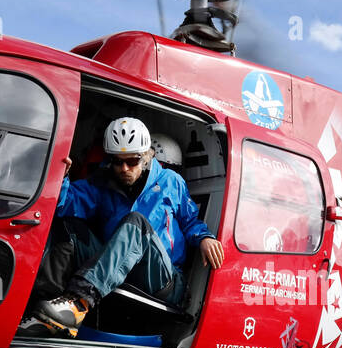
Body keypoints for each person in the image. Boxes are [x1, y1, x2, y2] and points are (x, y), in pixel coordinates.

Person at [31, 117, 225, 336]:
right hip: (115, 272)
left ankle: (78, 304)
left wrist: (204, 238)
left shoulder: (170, 181)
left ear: (145, 157)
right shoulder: (102, 184)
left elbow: (190, 221)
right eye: (117, 161)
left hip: (162, 278)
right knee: (70, 226)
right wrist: (61, 177)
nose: (124, 168)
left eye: (132, 161)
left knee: (136, 222)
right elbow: (64, 205)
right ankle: (48, 310)